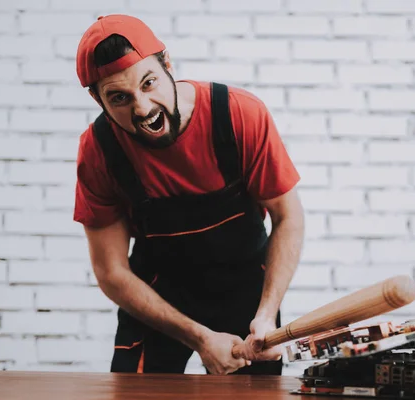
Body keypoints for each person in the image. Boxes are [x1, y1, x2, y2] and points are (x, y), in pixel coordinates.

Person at [72, 14, 304, 375]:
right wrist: (199, 337)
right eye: (119, 98)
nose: (142, 108)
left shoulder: (239, 115)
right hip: (159, 297)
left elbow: (287, 217)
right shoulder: (99, 150)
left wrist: (266, 313)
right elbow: (111, 270)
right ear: (97, 100)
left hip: (245, 290)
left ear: (167, 65)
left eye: (149, 83)